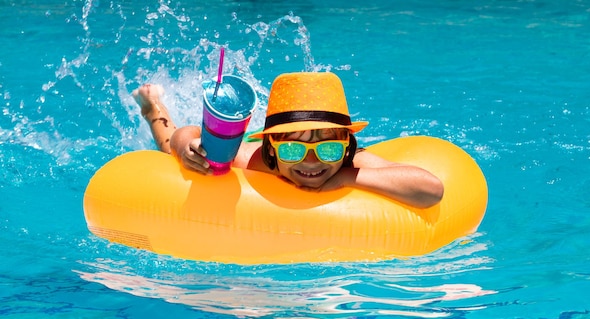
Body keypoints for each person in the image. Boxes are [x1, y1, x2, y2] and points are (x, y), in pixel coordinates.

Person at [133, 72, 443, 208]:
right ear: (271, 149)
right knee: (174, 150)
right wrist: (185, 144)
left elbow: (432, 189)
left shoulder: (350, 163)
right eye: (294, 149)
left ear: (346, 148)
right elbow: (192, 134)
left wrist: (348, 177)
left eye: (329, 148)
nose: (312, 161)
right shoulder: (250, 159)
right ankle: (153, 109)